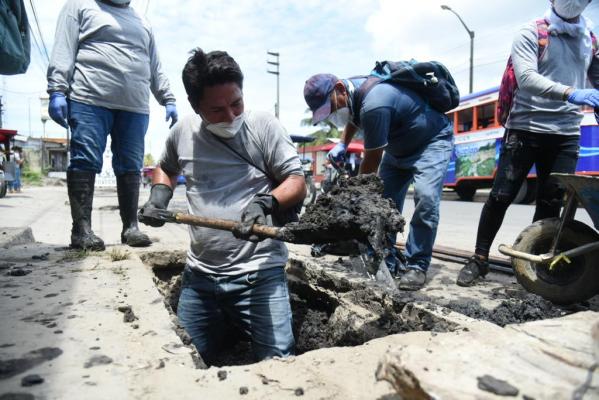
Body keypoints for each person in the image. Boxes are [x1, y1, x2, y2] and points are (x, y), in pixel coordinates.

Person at [138, 49, 306, 364]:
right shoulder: (183, 132)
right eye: (217, 109)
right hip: (200, 278)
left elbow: (296, 182)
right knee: (182, 361)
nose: (230, 116)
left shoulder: (264, 127)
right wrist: (158, 195)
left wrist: (265, 202)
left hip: (259, 276)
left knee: (280, 367)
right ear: (195, 105)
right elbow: (166, 168)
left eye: (236, 103)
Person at [457, 0, 599, 286]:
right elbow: (527, 77)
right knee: (500, 196)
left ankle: (537, 264)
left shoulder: (590, 40)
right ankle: (479, 259)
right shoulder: (531, 31)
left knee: (550, 201)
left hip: (566, 134)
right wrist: (573, 93)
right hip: (525, 129)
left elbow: (595, 77)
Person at [46, 0, 178, 251]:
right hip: (89, 99)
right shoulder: (80, 6)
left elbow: (154, 65)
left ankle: (130, 227)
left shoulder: (142, 22)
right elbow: (64, 47)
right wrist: (57, 90)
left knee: (130, 165)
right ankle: (81, 230)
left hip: (135, 106)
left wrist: (167, 98)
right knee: (85, 160)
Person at [304, 72, 454, 291]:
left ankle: (417, 265)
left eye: (332, 108)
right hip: (397, 148)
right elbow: (355, 118)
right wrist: (343, 144)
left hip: (430, 142)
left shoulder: (375, 103)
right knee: (384, 202)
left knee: (426, 198)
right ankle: (387, 256)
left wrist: (351, 201)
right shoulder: (354, 91)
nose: (334, 114)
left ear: (339, 88)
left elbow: (369, 169)